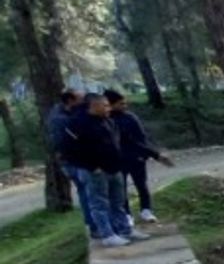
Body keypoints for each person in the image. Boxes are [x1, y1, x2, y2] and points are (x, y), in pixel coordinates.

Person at [62, 93, 150, 247]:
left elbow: (120, 142)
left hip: (114, 168)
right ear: (94, 106)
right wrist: (91, 166)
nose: (108, 108)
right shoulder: (77, 123)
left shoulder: (109, 121)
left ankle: (125, 230)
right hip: (94, 171)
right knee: (99, 203)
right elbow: (69, 150)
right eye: (105, 105)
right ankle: (107, 235)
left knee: (118, 201)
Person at [105, 90, 173, 223]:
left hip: (136, 157)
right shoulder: (107, 120)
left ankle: (146, 210)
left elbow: (142, 138)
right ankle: (126, 214)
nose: (125, 106)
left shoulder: (130, 117)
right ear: (111, 104)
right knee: (121, 188)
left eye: (125, 103)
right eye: (121, 103)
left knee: (141, 184)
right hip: (118, 160)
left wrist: (150, 153)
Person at [46, 90, 94, 232]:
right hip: (72, 161)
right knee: (87, 191)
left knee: (84, 191)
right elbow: (67, 142)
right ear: (70, 101)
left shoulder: (60, 115)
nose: (84, 101)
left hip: (69, 160)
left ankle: (91, 224)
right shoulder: (62, 120)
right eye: (81, 99)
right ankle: (93, 225)